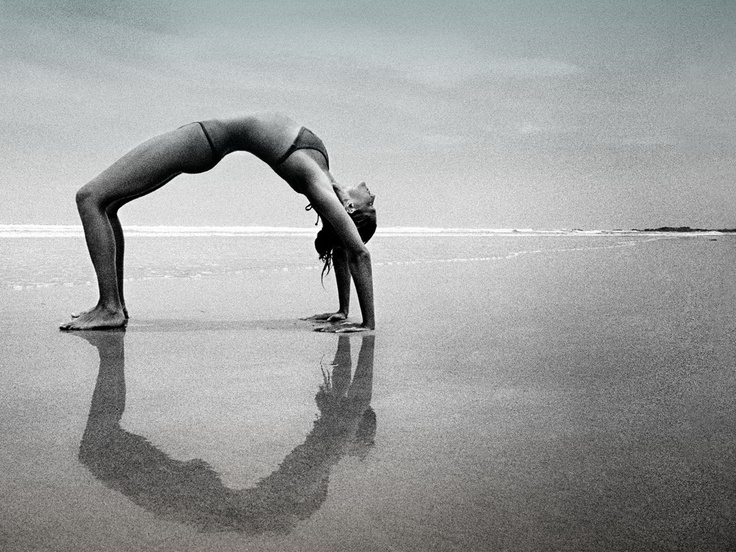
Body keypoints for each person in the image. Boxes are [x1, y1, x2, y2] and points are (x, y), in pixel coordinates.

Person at [59, 113, 376, 332]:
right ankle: (115, 306)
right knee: (108, 204)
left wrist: (367, 325)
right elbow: (341, 248)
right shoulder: (326, 175)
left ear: (349, 209)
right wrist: (343, 310)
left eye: (370, 206)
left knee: (89, 197)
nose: (371, 195)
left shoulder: (315, 180)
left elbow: (356, 252)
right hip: (201, 138)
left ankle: (109, 308)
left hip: (201, 142)